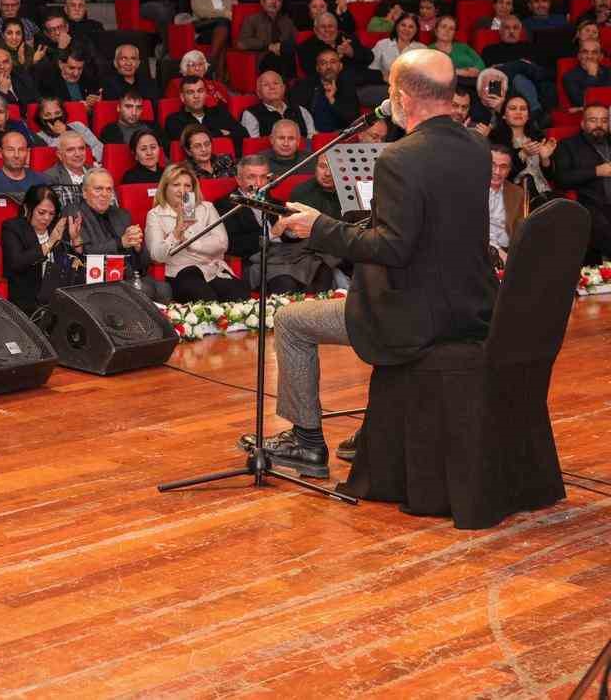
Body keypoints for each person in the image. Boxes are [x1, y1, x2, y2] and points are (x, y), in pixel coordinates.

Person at [248, 51, 497, 479]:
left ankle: (306, 442)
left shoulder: (399, 157)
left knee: (291, 321)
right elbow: (431, 224)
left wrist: (318, 228)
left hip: (413, 314)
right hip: (469, 304)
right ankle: (379, 428)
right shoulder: (476, 147)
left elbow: (393, 249)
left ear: (401, 95)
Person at [217, 155, 327, 294]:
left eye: (263, 177)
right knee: (286, 280)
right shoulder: (225, 205)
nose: (259, 183)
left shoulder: (276, 203)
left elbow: (291, 237)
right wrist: (272, 233)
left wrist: (291, 231)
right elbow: (232, 245)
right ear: (239, 180)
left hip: (289, 256)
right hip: (256, 261)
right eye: (251, 177)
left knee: (323, 266)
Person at [146, 162, 247, 302]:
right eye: (176, 185)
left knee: (240, 298)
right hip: (180, 273)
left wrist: (192, 244)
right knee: (207, 301)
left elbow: (222, 243)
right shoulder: (155, 214)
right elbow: (157, 256)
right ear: (165, 188)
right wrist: (176, 233)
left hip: (212, 269)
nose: (182, 191)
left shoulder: (206, 208)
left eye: (187, 186)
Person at [0, 184, 80, 314]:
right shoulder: (12, 228)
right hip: (28, 299)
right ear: (27, 208)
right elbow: (17, 263)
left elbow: (74, 262)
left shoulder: (55, 226)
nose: (47, 218)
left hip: (58, 296)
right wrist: (50, 242)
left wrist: (76, 239)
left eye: (51, 213)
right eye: (41, 212)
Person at [549, 103, 611, 263]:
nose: (599, 125)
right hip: (591, 203)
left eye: (604, 121)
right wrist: (596, 171)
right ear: (583, 123)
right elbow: (561, 179)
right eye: (593, 120)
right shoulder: (568, 145)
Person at [487, 145, 528, 267]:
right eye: (493, 165)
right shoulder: (471, 188)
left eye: (503, 167)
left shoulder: (517, 193)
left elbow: (521, 230)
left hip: (508, 251)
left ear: (509, 170)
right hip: (480, 248)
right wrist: (496, 251)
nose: (497, 172)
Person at [0, 130, 39, 195]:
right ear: (0, 152)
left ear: (27, 152)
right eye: (10, 150)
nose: (16, 155)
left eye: (21, 150)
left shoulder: (42, 181)